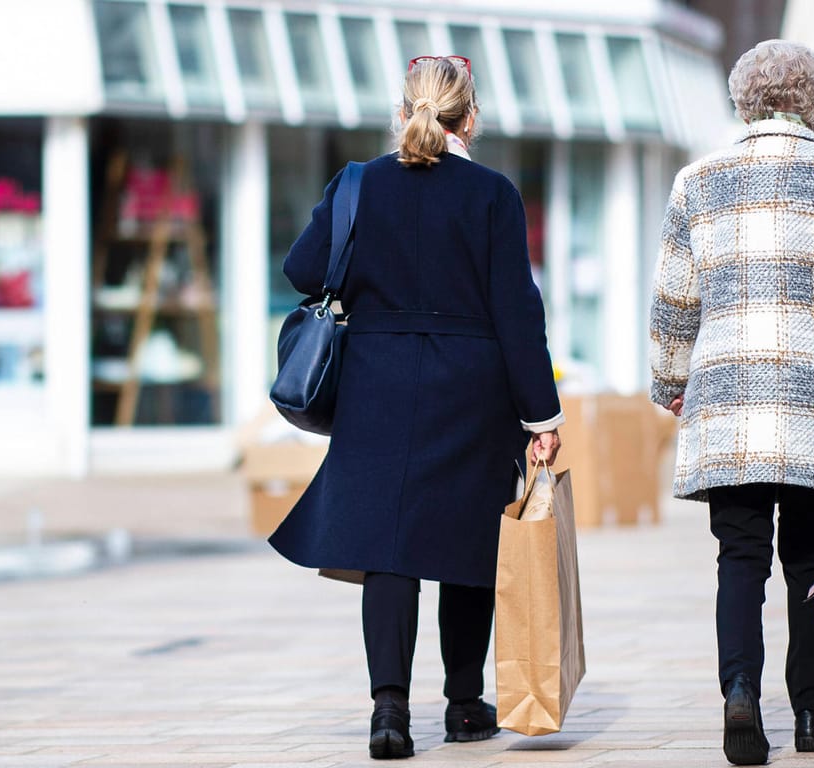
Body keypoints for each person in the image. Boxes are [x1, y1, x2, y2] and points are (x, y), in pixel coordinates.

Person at [269, 55, 563, 760]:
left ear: (404, 112)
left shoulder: (358, 184)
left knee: (388, 551)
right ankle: (464, 707)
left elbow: (302, 269)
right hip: (472, 387)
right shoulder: (493, 195)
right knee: (467, 545)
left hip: (376, 384)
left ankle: (389, 713)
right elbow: (518, 313)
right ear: (473, 118)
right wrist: (542, 417)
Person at [649, 40, 814, 766]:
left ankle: (738, 693)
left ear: (743, 103)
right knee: (811, 561)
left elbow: (673, 301)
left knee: (739, 556)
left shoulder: (698, 181)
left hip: (728, 399)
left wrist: (669, 381)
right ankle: (812, 719)